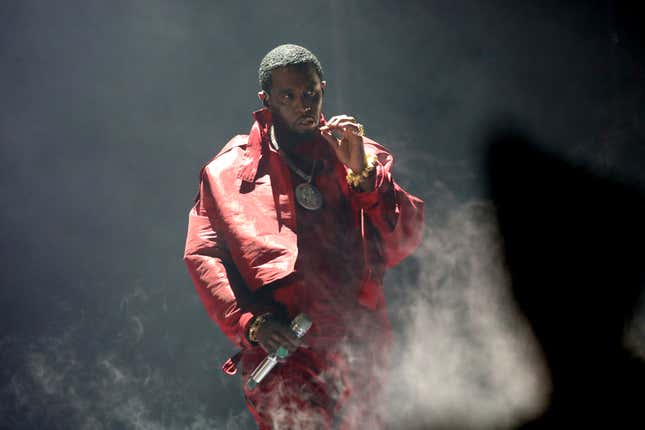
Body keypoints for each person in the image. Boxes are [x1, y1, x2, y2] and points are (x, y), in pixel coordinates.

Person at [183, 44, 424, 429]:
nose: (303, 105)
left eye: (311, 93)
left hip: (358, 348)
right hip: (284, 355)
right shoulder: (226, 173)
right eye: (289, 96)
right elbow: (204, 257)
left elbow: (405, 238)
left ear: (323, 89)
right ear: (267, 100)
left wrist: (364, 176)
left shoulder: (358, 153)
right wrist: (253, 323)